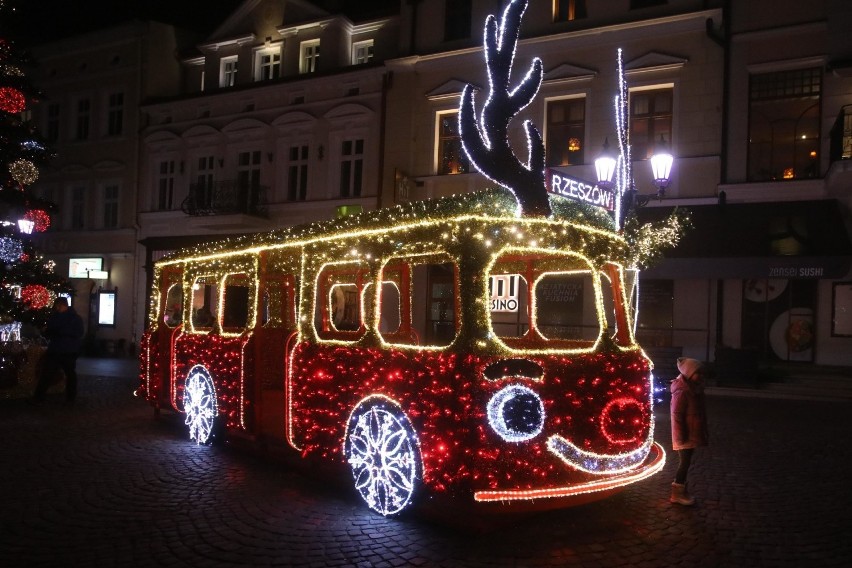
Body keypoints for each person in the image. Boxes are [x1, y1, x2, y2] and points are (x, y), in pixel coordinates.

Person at [29, 297, 85, 404]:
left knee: (69, 374)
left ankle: (70, 397)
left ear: (63, 305)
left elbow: (78, 333)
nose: (57, 308)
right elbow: (51, 331)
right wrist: (46, 331)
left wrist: (56, 331)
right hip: (57, 349)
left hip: (67, 350)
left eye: (59, 306)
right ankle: (39, 397)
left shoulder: (74, 318)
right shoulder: (58, 317)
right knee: (48, 373)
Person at [669, 356, 709, 506]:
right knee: (684, 463)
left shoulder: (693, 388)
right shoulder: (682, 391)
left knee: (686, 462)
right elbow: (677, 415)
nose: (701, 376)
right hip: (685, 436)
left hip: (690, 434)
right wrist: (680, 438)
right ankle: (677, 494)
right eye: (698, 373)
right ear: (689, 373)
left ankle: (681, 491)